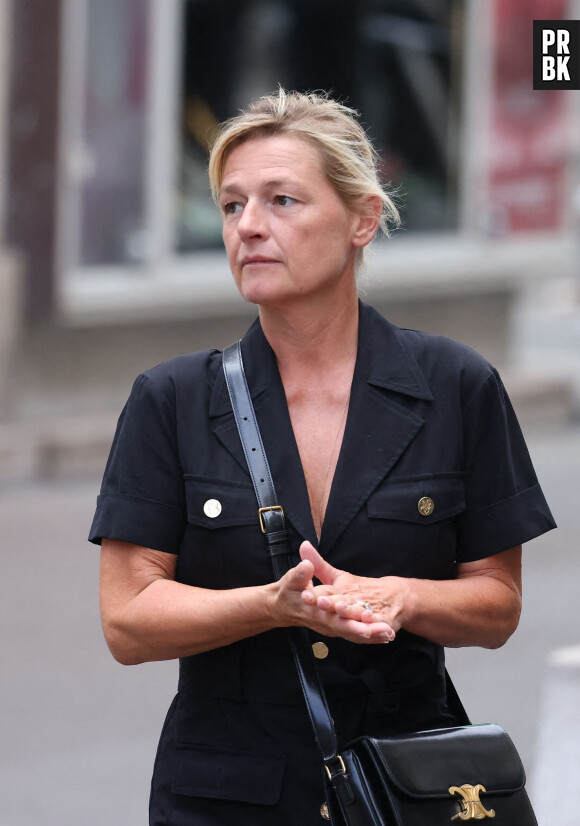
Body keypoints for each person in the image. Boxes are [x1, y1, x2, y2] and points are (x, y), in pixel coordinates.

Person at [89, 89, 555, 825]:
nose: (249, 227)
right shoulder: (170, 399)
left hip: (405, 790)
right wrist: (274, 607)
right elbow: (129, 620)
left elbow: (497, 604)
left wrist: (404, 597)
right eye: (232, 205)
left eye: (282, 201)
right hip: (226, 798)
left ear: (362, 220)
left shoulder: (456, 387)